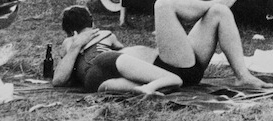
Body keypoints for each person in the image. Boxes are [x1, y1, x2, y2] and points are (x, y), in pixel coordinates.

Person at [53, 0, 273, 93]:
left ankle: (242, 75)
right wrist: (76, 45)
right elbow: (59, 79)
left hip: (179, 65)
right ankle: (215, 1)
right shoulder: (72, 43)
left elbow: (121, 58)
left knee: (220, 14)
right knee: (164, 4)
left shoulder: (105, 38)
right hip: (170, 68)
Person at [52, 6, 180, 95]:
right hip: (106, 59)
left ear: (68, 30)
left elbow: (58, 80)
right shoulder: (105, 34)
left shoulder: (68, 42)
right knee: (174, 79)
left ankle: (146, 89)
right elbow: (122, 52)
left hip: (92, 82)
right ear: (91, 22)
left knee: (144, 87)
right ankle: (150, 87)